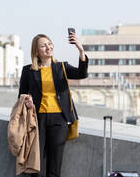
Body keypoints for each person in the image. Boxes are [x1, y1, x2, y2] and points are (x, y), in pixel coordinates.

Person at [18, 32, 88, 177]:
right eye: (43, 46)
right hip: (37, 120)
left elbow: (82, 74)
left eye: (50, 44)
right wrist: (27, 101)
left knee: (54, 166)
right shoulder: (28, 71)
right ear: (36, 51)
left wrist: (81, 50)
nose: (48, 47)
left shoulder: (61, 67)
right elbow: (21, 95)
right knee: (35, 165)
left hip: (59, 120)